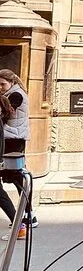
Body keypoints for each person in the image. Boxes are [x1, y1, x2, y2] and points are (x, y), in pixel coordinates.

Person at [0, 69, 37, 240]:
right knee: (16, 177)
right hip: (10, 138)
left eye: (3, 84)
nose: (0, 87)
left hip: (13, 140)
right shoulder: (11, 93)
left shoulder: (16, 95)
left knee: (17, 177)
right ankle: (26, 216)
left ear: (12, 82)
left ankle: (27, 216)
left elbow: (6, 113)